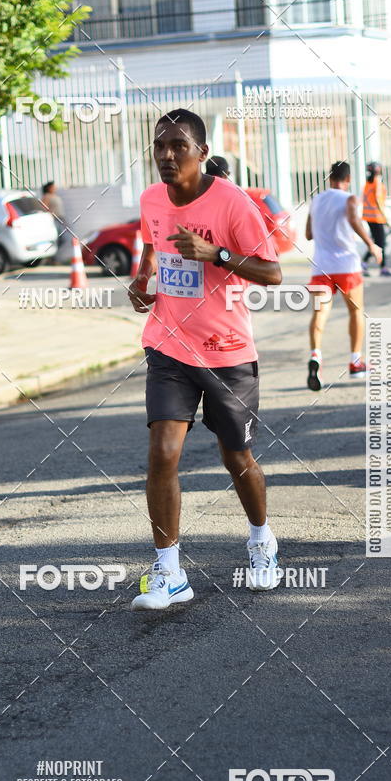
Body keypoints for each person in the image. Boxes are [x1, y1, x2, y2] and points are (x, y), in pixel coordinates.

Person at [127, 108, 282, 611]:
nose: (167, 155)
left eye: (178, 146)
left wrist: (215, 254)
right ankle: (169, 571)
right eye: (160, 146)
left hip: (226, 351)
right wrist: (142, 279)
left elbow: (273, 273)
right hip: (168, 344)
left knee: (236, 456)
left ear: (202, 153)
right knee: (162, 453)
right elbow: (153, 243)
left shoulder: (232, 202)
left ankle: (261, 540)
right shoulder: (151, 198)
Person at [305, 160, 382, 391]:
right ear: (348, 179)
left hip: (321, 267)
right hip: (347, 266)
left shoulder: (316, 200)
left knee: (320, 313)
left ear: (330, 178)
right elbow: (353, 218)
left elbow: (308, 234)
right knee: (356, 311)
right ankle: (356, 361)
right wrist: (371, 244)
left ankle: (315, 355)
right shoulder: (350, 199)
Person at [362, 162, 391, 276]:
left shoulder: (367, 183)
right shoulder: (377, 182)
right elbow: (378, 199)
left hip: (368, 217)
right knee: (380, 243)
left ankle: (366, 264)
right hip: (377, 217)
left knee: (378, 242)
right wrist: (384, 216)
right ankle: (381, 268)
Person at [41, 180, 66, 261]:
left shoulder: (54, 196)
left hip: (59, 219)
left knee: (61, 239)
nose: (55, 188)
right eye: (53, 187)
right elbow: (43, 209)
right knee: (57, 239)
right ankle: (52, 258)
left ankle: (52, 257)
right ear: (49, 188)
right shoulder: (46, 196)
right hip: (53, 220)